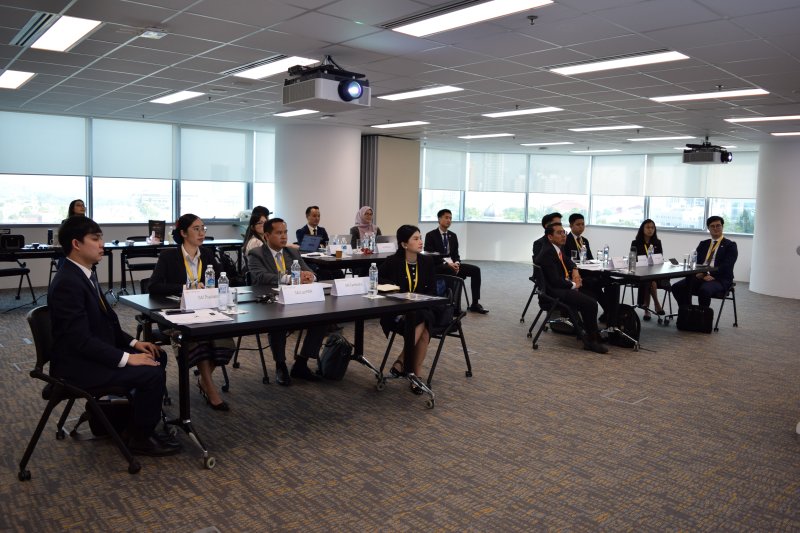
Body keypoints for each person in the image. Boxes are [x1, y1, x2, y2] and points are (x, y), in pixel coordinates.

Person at [48, 216, 180, 456]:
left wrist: (135, 343)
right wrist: (127, 358)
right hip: (77, 366)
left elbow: (106, 323)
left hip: (90, 353)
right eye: (95, 239)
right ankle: (140, 437)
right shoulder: (68, 282)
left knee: (156, 355)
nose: (102, 244)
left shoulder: (84, 273)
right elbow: (80, 341)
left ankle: (133, 421)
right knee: (150, 373)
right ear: (76, 244)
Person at [148, 214, 235, 411]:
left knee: (227, 339)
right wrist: (186, 287)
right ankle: (210, 389)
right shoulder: (169, 256)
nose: (201, 232)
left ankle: (204, 380)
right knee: (199, 339)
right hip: (178, 314)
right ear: (183, 233)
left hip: (207, 310)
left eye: (203, 228)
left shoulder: (207, 254)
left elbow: (222, 280)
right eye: (196, 229)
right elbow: (153, 286)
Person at [247, 217, 328, 386]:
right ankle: (280, 365)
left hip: (296, 299)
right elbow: (260, 276)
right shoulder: (256, 253)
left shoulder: (292, 252)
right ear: (267, 236)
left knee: (322, 318)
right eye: (279, 233)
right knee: (279, 321)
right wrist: (289, 278)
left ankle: (301, 363)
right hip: (270, 302)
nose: (284, 236)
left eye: (285, 232)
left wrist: (310, 276)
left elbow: (310, 272)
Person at [378, 224, 438, 393]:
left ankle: (402, 361)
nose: (421, 242)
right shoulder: (392, 262)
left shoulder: (427, 261)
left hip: (422, 308)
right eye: (416, 239)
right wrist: (397, 291)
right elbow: (378, 281)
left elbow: (432, 291)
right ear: (404, 244)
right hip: (397, 311)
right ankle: (415, 376)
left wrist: (419, 300)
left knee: (421, 317)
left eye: (421, 238)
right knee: (424, 328)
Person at [534, 222, 608, 354]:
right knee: (591, 303)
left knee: (591, 293)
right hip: (553, 292)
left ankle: (588, 332)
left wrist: (574, 269)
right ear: (550, 237)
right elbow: (555, 281)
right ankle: (592, 341)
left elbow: (568, 260)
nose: (563, 235)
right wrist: (574, 284)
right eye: (559, 233)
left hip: (560, 287)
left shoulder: (557, 248)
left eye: (564, 232)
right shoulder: (547, 253)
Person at [423, 208, 488, 314]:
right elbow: (431, 256)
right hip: (439, 265)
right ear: (439, 219)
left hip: (453, 265)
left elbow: (456, 255)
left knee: (476, 270)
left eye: (450, 218)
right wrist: (448, 264)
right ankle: (453, 306)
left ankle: (475, 304)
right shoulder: (431, 235)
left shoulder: (453, 236)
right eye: (446, 217)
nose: (449, 220)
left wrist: (457, 263)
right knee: (451, 270)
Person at [672, 216, 738, 311]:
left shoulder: (730, 245)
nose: (715, 228)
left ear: (722, 227)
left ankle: (702, 317)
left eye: (718, 225)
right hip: (701, 276)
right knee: (677, 287)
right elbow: (696, 261)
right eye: (712, 226)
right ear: (708, 228)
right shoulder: (703, 244)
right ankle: (687, 311)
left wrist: (709, 274)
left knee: (704, 290)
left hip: (719, 278)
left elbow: (727, 265)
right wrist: (703, 274)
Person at [631, 219, 667, 320]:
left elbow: (660, 258)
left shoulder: (657, 242)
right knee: (650, 282)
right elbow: (633, 259)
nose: (650, 230)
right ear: (642, 229)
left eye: (652, 227)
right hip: (640, 273)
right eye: (647, 227)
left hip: (655, 272)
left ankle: (646, 309)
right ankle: (656, 304)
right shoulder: (636, 243)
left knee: (651, 281)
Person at [295, 206, 342, 280]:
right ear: (307, 216)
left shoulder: (322, 230)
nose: (317, 218)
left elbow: (327, 244)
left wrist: (317, 245)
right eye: (314, 216)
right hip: (310, 262)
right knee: (326, 273)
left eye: (318, 216)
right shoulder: (301, 231)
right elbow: (304, 247)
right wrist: (320, 245)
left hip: (323, 260)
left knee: (339, 272)